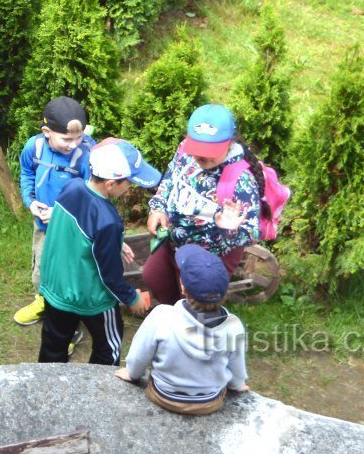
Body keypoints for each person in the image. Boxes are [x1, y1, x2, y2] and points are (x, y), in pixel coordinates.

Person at [37, 138, 157, 367]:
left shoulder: (72, 187)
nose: (130, 187)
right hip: (92, 298)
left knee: (53, 346)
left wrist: (115, 242)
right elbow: (109, 276)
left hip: (57, 289)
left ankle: (47, 389)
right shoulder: (108, 221)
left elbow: (78, 231)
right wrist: (132, 298)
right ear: (111, 184)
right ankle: (99, 390)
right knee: (107, 348)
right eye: (128, 183)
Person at [142, 104, 264, 307]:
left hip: (209, 255)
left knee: (193, 300)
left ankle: (193, 327)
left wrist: (230, 230)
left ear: (229, 142)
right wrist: (158, 207)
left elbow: (252, 232)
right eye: (198, 149)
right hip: (174, 240)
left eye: (210, 151)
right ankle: (176, 315)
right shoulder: (184, 151)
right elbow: (170, 180)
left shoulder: (241, 180)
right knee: (153, 277)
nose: (202, 156)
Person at [115, 244, 250, 415]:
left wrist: (132, 373)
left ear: (183, 287)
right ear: (224, 293)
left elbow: (139, 355)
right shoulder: (234, 326)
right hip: (209, 401)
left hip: (163, 395)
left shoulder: (161, 315)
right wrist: (238, 384)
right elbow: (236, 364)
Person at [13, 97, 95, 326]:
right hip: (43, 225)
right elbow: (27, 174)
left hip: (73, 229)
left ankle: (69, 324)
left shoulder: (86, 155)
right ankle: (41, 301)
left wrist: (60, 215)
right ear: (47, 131)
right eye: (67, 139)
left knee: (67, 275)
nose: (74, 144)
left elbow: (91, 198)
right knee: (41, 266)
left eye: (79, 137)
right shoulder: (34, 146)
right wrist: (30, 202)